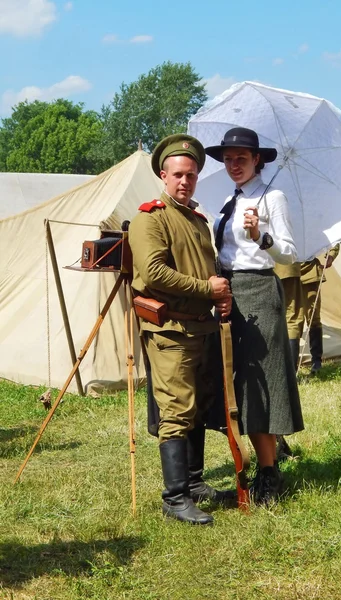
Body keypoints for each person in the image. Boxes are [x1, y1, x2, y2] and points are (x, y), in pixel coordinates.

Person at [128, 134, 234, 525]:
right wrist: (207, 288)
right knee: (176, 410)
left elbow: (209, 270)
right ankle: (175, 499)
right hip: (171, 331)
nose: (185, 181)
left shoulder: (198, 221)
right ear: (163, 175)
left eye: (191, 175)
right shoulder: (150, 218)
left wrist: (220, 293)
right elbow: (153, 273)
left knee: (198, 407)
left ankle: (193, 483)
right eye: (178, 175)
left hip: (202, 327)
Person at [205, 127, 304, 504]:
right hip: (229, 291)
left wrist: (261, 235)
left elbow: (290, 253)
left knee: (260, 384)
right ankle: (262, 464)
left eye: (241, 158)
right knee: (238, 384)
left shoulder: (272, 197)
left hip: (260, 291)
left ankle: (269, 475)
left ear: (257, 159)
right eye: (228, 159)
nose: (233, 164)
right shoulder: (230, 201)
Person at [274, 245, 339, 373]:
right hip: (288, 268)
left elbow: (329, 229)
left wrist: (332, 253)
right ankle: (291, 367)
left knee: (313, 316)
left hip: (308, 269)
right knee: (292, 320)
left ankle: (316, 362)